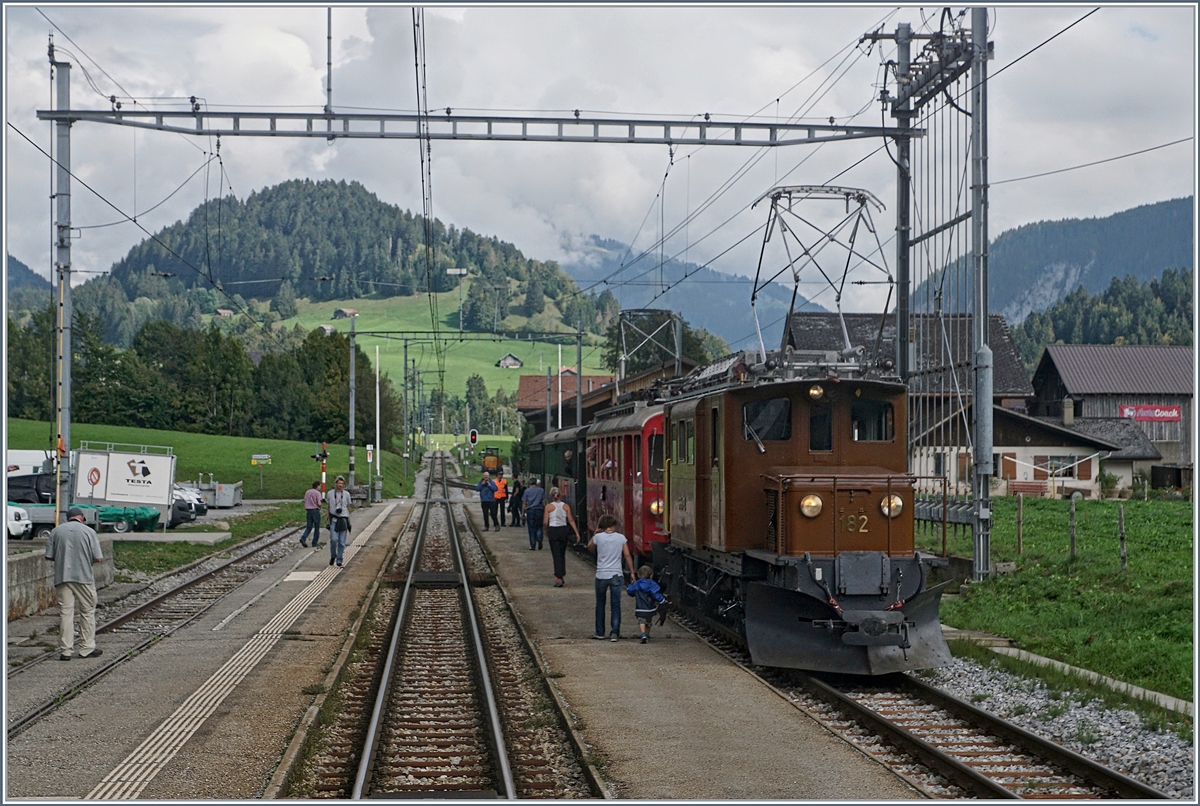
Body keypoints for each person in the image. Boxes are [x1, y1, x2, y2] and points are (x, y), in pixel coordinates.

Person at [44, 507, 104, 660]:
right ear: (82, 518)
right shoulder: (89, 531)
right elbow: (98, 557)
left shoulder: (56, 531)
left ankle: (65, 651)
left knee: (66, 612)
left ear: (67, 518)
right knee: (88, 611)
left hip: (62, 577)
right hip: (83, 577)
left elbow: (49, 556)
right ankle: (86, 648)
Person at [587, 513, 634, 641]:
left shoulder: (598, 538)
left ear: (602, 526)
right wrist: (632, 572)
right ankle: (614, 633)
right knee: (615, 605)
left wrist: (595, 534)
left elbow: (589, 548)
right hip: (616, 575)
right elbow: (627, 555)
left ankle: (600, 633)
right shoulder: (621, 538)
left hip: (601, 574)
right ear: (614, 525)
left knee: (600, 604)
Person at [543, 487, 582, 586]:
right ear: (560, 495)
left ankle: (559, 577)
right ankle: (561, 574)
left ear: (551, 495)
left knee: (556, 555)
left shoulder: (548, 507)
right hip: (563, 531)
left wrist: (547, 530)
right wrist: (577, 533)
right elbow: (571, 520)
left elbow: (545, 522)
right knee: (562, 553)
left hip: (553, 531)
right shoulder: (566, 506)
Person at [627, 566, 666, 643]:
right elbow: (656, 594)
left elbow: (630, 591)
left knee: (641, 621)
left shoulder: (637, 584)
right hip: (650, 608)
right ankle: (647, 635)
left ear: (638, 575)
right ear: (651, 575)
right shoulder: (652, 584)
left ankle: (643, 634)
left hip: (640, 608)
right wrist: (662, 601)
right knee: (648, 622)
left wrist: (631, 585)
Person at [326, 476, 352, 568]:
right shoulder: (329, 494)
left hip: (343, 519)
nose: (340, 485)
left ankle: (339, 560)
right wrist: (328, 518)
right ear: (335, 484)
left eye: (342, 484)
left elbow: (349, 506)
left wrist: (345, 512)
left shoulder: (347, 494)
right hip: (334, 519)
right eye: (339, 483)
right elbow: (328, 506)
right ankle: (333, 556)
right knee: (334, 539)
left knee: (342, 542)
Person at [521, 478, 546, 551]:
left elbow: (524, 502)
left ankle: (533, 545)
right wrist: (546, 511)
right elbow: (544, 501)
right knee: (539, 526)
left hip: (530, 510)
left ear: (529, 483)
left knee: (531, 528)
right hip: (539, 510)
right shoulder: (541, 490)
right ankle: (539, 539)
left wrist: (523, 512)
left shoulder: (527, 491)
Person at [299, 480, 323, 548]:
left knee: (309, 526)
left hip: (308, 511)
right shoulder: (317, 493)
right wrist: (320, 505)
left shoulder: (307, 492)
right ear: (317, 486)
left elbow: (305, 500)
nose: (320, 487)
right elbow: (319, 503)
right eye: (320, 486)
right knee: (316, 527)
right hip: (315, 511)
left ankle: (303, 538)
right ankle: (314, 543)